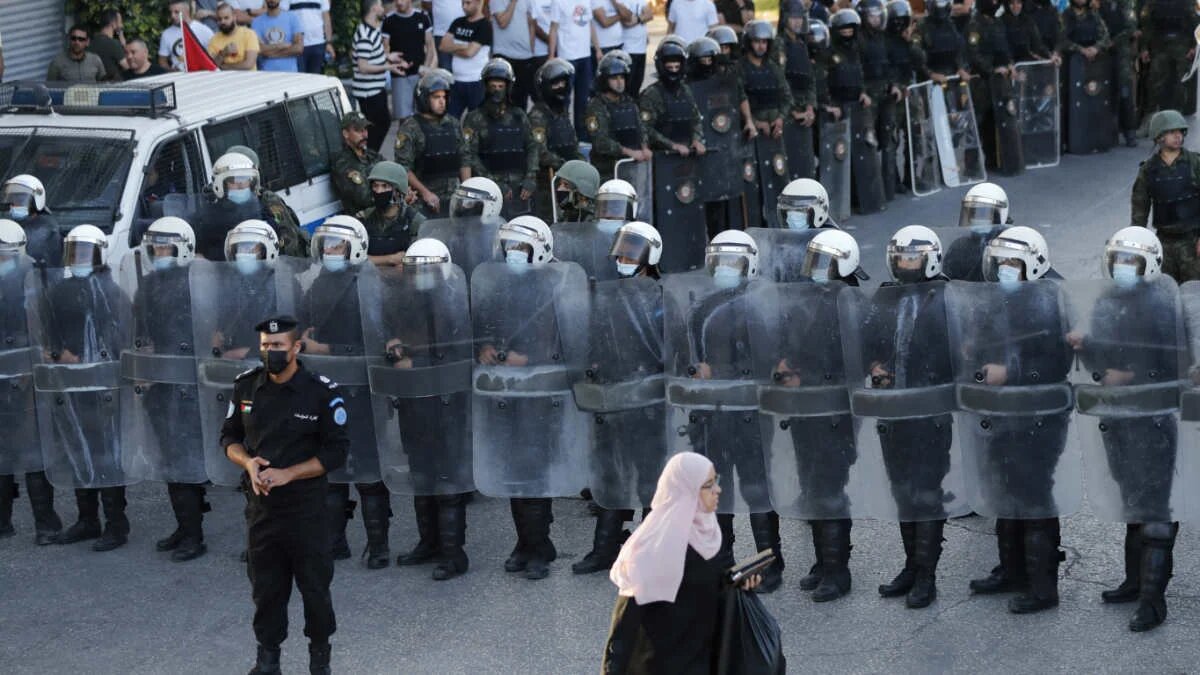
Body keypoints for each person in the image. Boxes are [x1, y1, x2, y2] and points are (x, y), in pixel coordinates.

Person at [222, 315, 349, 675]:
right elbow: (228, 438)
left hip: (307, 510)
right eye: (265, 346)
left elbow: (336, 452)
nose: (270, 352)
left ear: (296, 348)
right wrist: (247, 463)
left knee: (315, 591)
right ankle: (267, 661)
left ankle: (319, 659)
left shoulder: (322, 392)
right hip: (262, 510)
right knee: (266, 592)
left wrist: (288, 473)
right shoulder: (246, 387)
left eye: (277, 346)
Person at [1071, 227, 1179, 632]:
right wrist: (1086, 345)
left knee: (1154, 510)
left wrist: (1129, 375)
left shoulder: (1164, 305)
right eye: (1117, 260)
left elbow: (1172, 362)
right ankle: (1134, 582)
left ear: (1149, 262)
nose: (1122, 268)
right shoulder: (1107, 300)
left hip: (1153, 420)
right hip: (1117, 418)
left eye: (1130, 261)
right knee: (1132, 501)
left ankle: (1153, 602)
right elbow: (1105, 352)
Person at [959, 226, 1071, 615]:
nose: (1004, 270)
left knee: (1033, 495)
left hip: (1039, 415)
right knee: (1005, 492)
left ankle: (1042, 588)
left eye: (1011, 264)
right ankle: (1011, 571)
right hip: (1001, 410)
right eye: (1000, 263)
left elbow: (1057, 362)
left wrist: (1012, 372)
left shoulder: (1052, 300)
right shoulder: (998, 299)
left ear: (1032, 265)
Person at [602, 452, 763, 674]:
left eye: (715, 481)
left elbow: (714, 588)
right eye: (708, 485)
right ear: (686, 491)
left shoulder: (709, 534)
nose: (718, 490)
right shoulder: (652, 548)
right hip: (659, 664)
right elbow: (624, 623)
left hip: (704, 659)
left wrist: (741, 583)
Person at [864, 226, 955, 609]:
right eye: (900, 257)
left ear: (930, 259)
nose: (905, 264)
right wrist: (874, 364)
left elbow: (961, 351)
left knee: (926, 492)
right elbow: (866, 339)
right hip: (893, 408)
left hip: (930, 409)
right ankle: (910, 566)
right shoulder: (885, 295)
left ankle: (927, 575)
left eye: (913, 258)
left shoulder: (948, 298)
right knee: (902, 491)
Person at [375, 238, 474, 579]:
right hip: (414, 401)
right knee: (421, 475)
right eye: (415, 269)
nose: (420, 275)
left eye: (427, 268)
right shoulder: (400, 300)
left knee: (446, 479)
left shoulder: (456, 301)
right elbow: (389, 335)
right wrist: (392, 347)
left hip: (447, 404)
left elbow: (454, 351)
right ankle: (428, 543)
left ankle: (453, 553)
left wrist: (412, 361)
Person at [296, 216, 392, 568]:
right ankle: (334, 541)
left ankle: (378, 544)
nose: (330, 251)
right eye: (326, 245)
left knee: (368, 470)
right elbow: (300, 323)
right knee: (330, 472)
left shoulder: (369, 285)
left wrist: (326, 350)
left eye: (337, 245)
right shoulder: (317, 284)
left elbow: (375, 342)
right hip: (325, 392)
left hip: (361, 391)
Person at [572, 221, 665, 575]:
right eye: (621, 252)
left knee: (648, 480)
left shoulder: (660, 296)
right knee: (609, 474)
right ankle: (604, 549)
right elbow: (593, 337)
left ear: (649, 256)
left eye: (631, 253)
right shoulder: (607, 293)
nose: (623, 259)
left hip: (647, 401)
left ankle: (652, 551)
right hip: (610, 397)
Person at [43, 225, 132, 553]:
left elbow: (123, 334)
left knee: (107, 450)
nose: (79, 259)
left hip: (104, 384)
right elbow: (45, 328)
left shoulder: (111, 291)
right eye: (74, 252)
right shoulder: (58, 291)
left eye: (85, 252)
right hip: (71, 380)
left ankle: (116, 522)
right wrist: (57, 353)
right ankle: (87, 518)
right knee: (76, 447)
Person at [129, 217, 212, 562]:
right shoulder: (148, 285)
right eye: (155, 247)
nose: (159, 252)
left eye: (165, 246)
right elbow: (140, 327)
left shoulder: (199, 283)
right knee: (169, 456)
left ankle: (194, 535)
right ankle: (184, 526)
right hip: (161, 383)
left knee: (187, 455)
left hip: (190, 383)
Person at [0, 220, 63, 546]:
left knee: (33, 451)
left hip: (27, 377)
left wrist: (35, 364)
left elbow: (44, 326)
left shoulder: (33, 278)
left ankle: (45, 523)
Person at [195, 152, 307, 260]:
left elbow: (281, 239)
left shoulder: (264, 207)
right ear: (221, 183)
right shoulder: (209, 216)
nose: (240, 184)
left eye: (245, 179)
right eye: (233, 179)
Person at [463, 58, 539, 217]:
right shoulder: (474, 118)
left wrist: (530, 178)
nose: (496, 91)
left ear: (508, 88)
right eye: (492, 87)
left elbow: (532, 147)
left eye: (500, 86)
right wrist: (493, 184)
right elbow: (470, 156)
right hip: (489, 191)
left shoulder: (519, 116)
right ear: (485, 87)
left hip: (520, 190)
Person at [1132, 110, 1200, 283]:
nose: (1178, 136)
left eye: (1180, 131)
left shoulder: (1195, 163)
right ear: (1159, 136)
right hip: (1162, 243)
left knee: (1194, 295)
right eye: (1171, 132)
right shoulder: (1148, 169)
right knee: (1164, 292)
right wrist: (1138, 244)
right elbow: (1140, 209)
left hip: (1192, 243)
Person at [395, 69, 470, 217]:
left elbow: (464, 159)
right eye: (436, 97)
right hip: (424, 199)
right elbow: (404, 168)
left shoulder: (453, 124)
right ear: (424, 99)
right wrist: (426, 193)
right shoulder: (410, 127)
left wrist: (467, 191)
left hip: (454, 197)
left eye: (444, 97)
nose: (442, 101)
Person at [529, 58, 583, 220]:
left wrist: (580, 164)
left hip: (568, 180)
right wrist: (566, 166)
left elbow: (573, 144)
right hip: (547, 185)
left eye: (563, 83)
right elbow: (540, 152)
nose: (561, 88)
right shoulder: (538, 115)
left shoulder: (562, 113)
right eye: (555, 84)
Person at [586, 51, 651, 180]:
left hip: (632, 167)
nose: (619, 82)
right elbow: (601, 142)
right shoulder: (596, 106)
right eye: (614, 78)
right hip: (608, 171)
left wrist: (644, 147)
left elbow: (640, 127)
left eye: (622, 77)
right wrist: (630, 152)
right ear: (605, 80)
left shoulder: (629, 101)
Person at [640, 37, 707, 157]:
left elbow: (696, 119)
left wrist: (697, 140)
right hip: (662, 155)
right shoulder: (651, 94)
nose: (674, 71)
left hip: (687, 152)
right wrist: (672, 145)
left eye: (677, 67)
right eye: (670, 68)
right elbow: (646, 129)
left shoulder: (685, 90)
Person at [354, 161, 427, 266]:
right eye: (375, 186)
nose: (379, 191)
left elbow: (419, 261)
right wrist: (390, 259)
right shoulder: (365, 217)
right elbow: (353, 258)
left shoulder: (414, 221)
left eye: (385, 186)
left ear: (398, 191)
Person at [353, 0, 402, 152]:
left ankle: (369, 157)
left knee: (381, 125)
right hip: (368, 92)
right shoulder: (365, 34)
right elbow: (363, 66)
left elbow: (371, 56)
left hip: (375, 89)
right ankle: (368, 157)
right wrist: (388, 66)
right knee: (379, 126)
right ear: (374, 8)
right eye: (380, 5)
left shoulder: (372, 31)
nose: (383, 9)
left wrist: (389, 57)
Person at [942, 182, 1012, 281]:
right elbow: (947, 282)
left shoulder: (1009, 247)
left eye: (984, 214)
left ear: (1000, 215)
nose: (977, 219)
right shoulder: (959, 247)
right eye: (972, 213)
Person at [549, 0, 599, 137]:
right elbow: (553, 28)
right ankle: (562, 133)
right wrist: (551, 56)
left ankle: (581, 134)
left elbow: (590, 25)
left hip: (585, 56)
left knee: (583, 98)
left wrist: (598, 49)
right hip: (567, 57)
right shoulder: (558, 2)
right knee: (564, 99)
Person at [1139, 0, 1199, 116]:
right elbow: (1147, 26)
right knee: (1154, 79)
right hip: (1160, 44)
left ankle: (1178, 114)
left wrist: (1194, 46)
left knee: (1182, 80)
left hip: (1182, 44)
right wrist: (1144, 48)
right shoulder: (1153, 3)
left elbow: (1197, 23)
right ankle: (1152, 113)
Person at [383, 0, 437, 120]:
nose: (398, 2)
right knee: (404, 119)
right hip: (399, 76)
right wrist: (392, 64)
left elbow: (430, 47)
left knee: (423, 117)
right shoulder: (388, 20)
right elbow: (384, 49)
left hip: (420, 75)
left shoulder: (423, 17)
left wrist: (426, 67)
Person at [442, 0, 494, 117]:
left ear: (478, 3)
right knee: (450, 120)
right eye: (463, 3)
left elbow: (470, 53)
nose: (464, 7)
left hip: (476, 82)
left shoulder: (484, 25)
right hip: (456, 81)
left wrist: (454, 48)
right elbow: (443, 46)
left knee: (476, 123)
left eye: (468, 3)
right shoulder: (457, 22)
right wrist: (462, 46)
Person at [1097, 0, 1138, 147]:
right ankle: (1107, 131)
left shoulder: (1125, 3)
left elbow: (1131, 27)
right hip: (1101, 52)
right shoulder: (1096, 4)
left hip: (1121, 52)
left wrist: (1113, 41)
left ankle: (1130, 131)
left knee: (1125, 90)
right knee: (1102, 92)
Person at [0, 175, 62, 268]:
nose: (14, 205)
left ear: (35, 201)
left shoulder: (47, 229)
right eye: (12, 201)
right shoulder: (7, 224)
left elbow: (53, 268)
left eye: (20, 200)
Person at [331, 111, 382, 215]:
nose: (365, 135)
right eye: (358, 130)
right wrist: (393, 195)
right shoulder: (342, 163)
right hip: (367, 219)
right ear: (346, 134)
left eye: (365, 129)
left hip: (386, 209)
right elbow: (365, 198)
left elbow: (394, 175)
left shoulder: (372, 155)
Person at [491, 0, 537, 108]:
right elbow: (502, 22)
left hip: (525, 56)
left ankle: (519, 124)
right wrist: (513, 2)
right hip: (504, 54)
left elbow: (531, 23)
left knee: (521, 100)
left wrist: (531, 48)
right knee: (501, 99)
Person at [160, 0, 216, 71]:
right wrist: (172, 71)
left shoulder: (204, 30)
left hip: (201, 75)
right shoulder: (166, 34)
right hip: (179, 77)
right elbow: (162, 61)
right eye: (171, 12)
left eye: (176, 12)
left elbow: (214, 55)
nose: (172, 16)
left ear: (187, 11)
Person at [253, 0, 304, 72]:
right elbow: (259, 49)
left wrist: (270, 54)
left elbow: (298, 48)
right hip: (266, 73)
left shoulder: (292, 17)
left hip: (290, 73)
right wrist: (281, 46)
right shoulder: (256, 22)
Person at [615, 0, 653, 95]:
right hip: (627, 49)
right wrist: (643, 17)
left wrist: (637, 19)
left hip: (641, 49)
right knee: (627, 86)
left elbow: (650, 15)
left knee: (637, 83)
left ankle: (634, 108)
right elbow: (627, 22)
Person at [208, 2, 262, 71]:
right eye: (219, 19)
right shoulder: (214, 39)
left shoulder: (249, 34)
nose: (222, 22)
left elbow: (249, 64)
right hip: (224, 80)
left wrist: (223, 66)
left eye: (226, 18)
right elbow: (212, 66)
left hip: (248, 80)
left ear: (234, 17)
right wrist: (223, 53)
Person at [285, 0, 335, 74]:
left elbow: (326, 19)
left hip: (318, 44)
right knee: (299, 79)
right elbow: (283, 17)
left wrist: (329, 43)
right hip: (297, 45)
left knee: (316, 79)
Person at [89, 9, 128, 81]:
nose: (122, 25)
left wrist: (121, 36)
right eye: (120, 22)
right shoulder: (113, 44)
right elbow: (127, 66)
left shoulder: (91, 42)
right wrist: (124, 44)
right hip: (113, 87)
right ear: (113, 23)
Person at [431, 0, 467, 70]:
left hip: (463, 32)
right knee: (445, 69)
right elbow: (426, 4)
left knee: (463, 67)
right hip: (441, 33)